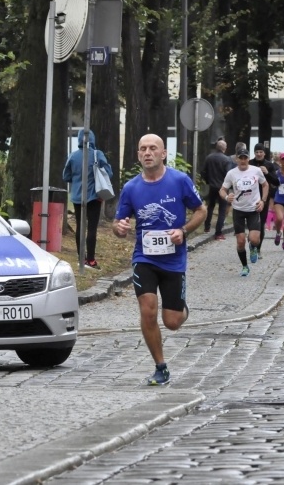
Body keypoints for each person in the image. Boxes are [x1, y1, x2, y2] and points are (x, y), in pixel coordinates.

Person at [113, 134, 205, 386]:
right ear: (138, 155)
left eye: (153, 148)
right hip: (144, 258)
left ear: (163, 154)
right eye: (142, 149)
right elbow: (118, 222)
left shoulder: (179, 181)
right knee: (148, 309)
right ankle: (160, 366)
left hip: (174, 259)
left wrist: (184, 231)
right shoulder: (131, 188)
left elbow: (201, 210)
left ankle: (183, 309)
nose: (147, 153)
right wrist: (119, 227)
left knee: (172, 322)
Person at [62, 129, 113, 269]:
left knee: (80, 226)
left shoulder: (72, 156)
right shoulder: (98, 154)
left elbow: (65, 177)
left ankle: (80, 259)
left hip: (77, 196)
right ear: (93, 139)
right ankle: (91, 260)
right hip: (94, 197)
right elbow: (109, 172)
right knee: (92, 228)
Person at [220, 147, 268, 276]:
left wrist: (263, 200)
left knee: (255, 240)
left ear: (248, 159)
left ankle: (253, 247)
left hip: (253, 209)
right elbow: (222, 190)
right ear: (236, 159)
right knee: (240, 242)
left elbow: (265, 185)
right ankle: (245, 266)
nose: (243, 160)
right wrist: (226, 197)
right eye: (240, 158)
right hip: (238, 210)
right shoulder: (231, 173)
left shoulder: (256, 171)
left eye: (245, 158)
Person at [249, 144, 279, 257]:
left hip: (263, 198)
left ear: (264, 153)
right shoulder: (250, 163)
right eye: (257, 152)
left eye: (261, 152)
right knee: (251, 223)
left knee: (261, 224)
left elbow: (276, 182)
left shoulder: (269, 165)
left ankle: (258, 249)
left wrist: (267, 173)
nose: (259, 154)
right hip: (250, 197)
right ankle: (252, 240)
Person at [200, 139, 232, 240]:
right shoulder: (226, 160)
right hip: (222, 187)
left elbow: (203, 172)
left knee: (211, 206)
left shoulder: (209, 157)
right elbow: (228, 174)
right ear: (224, 148)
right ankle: (218, 232)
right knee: (222, 210)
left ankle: (207, 227)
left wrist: (208, 181)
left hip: (212, 187)